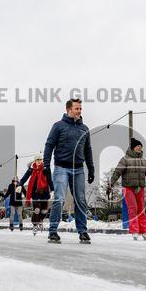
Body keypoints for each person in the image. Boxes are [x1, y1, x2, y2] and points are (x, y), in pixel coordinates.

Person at [44, 98, 95, 244]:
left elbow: (88, 150)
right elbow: (49, 145)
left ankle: (83, 231)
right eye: (76, 109)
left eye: (80, 109)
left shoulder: (84, 129)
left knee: (80, 200)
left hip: (78, 169)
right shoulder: (58, 126)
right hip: (61, 168)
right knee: (59, 199)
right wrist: (46, 165)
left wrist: (91, 168)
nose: (79, 111)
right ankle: (53, 231)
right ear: (68, 110)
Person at [108, 138, 146, 240]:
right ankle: (134, 230)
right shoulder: (125, 160)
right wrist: (111, 184)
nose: (140, 148)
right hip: (128, 188)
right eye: (138, 146)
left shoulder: (143, 161)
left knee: (141, 210)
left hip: (140, 188)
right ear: (133, 148)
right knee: (133, 209)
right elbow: (117, 172)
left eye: (141, 147)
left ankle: (144, 231)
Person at [18, 155, 52, 234]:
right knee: (37, 209)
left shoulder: (45, 169)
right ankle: (35, 225)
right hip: (35, 192)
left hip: (44, 192)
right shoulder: (31, 170)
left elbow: (50, 180)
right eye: (37, 160)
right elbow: (24, 178)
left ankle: (40, 220)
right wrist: (20, 185)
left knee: (44, 210)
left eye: (40, 159)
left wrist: (52, 190)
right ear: (35, 161)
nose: (39, 161)